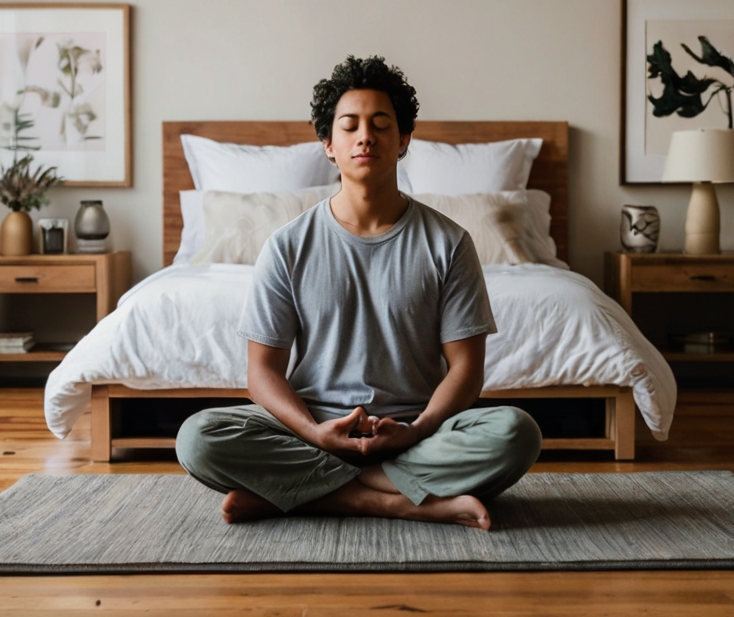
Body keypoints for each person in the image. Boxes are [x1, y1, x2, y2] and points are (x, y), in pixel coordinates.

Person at [176, 56, 542, 530]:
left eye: (380, 124)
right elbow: (262, 371)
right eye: (349, 126)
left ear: (404, 139)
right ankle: (394, 498)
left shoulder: (449, 243)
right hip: (310, 429)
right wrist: (314, 433)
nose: (364, 136)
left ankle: (300, 494)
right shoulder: (287, 246)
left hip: (416, 429)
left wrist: (416, 431)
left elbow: (467, 369)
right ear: (328, 144)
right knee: (198, 438)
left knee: (516, 433)